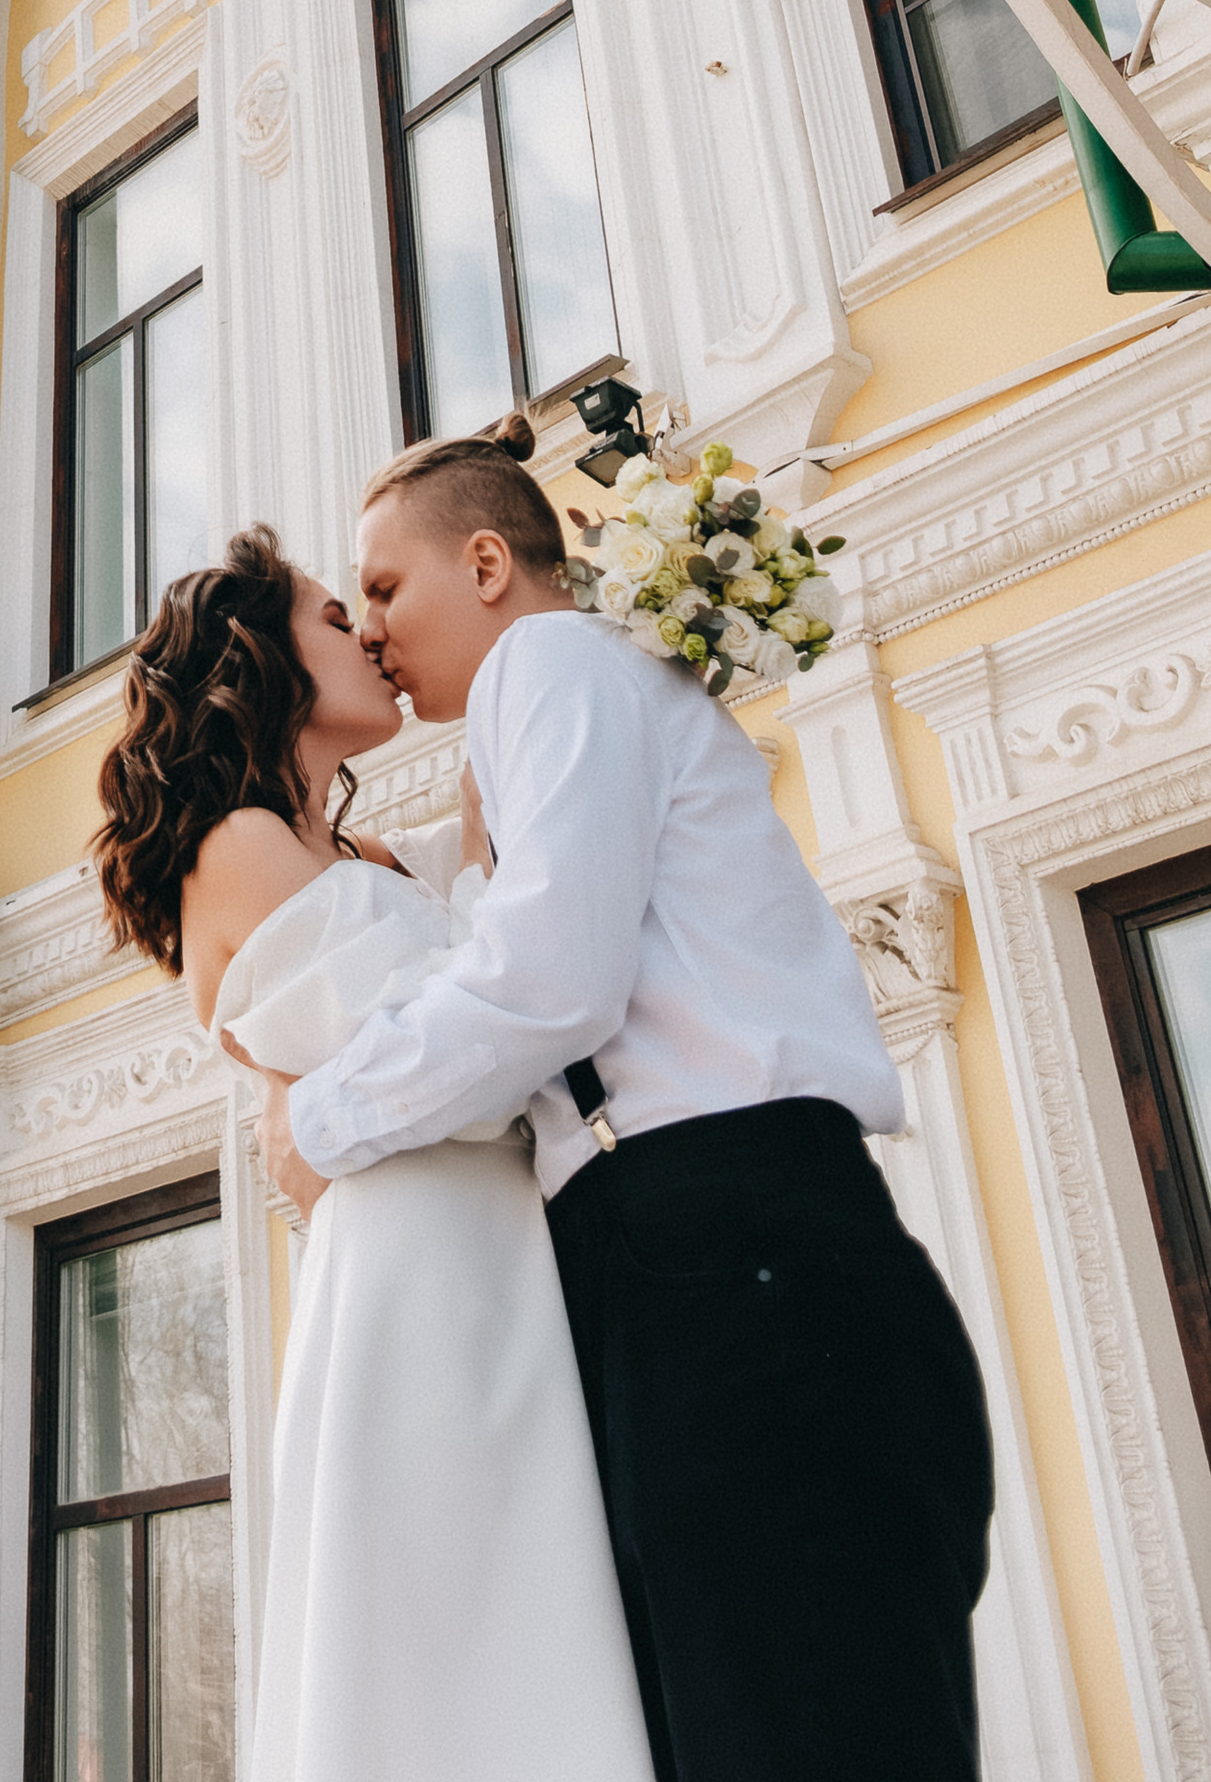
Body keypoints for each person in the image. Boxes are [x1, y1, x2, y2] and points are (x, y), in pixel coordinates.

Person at [250, 420, 994, 1782]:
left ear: (488, 564)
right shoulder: (545, 727)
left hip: (733, 1252)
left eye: (387, 589)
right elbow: (471, 922)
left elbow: (548, 978)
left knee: (796, 1729)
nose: (369, 628)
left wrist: (322, 1120)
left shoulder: (554, 660)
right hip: (701, 1257)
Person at [93, 521, 655, 1782]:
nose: (371, 635)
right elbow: (465, 1075)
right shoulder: (237, 847)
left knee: (534, 1597)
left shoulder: (371, 855)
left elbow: (504, 984)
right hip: (422, 1271)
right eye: (334, 618)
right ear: (257, 661)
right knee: (457, 1624)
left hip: (503, 1246)